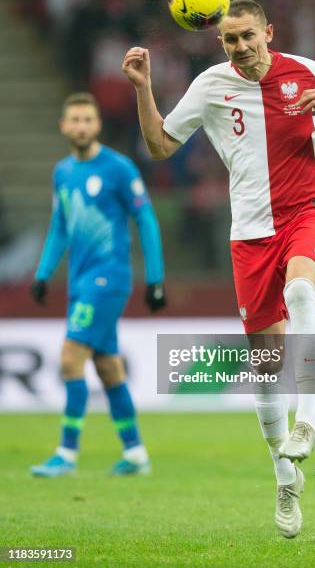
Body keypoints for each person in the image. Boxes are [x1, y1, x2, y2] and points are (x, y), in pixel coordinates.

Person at [122, 0, 315, 537]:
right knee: (265, 367)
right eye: (229, 40)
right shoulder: (211, 85)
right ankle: (285, 478)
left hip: (307, 211)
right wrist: (144, 89)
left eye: (247, 36)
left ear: (269, 31)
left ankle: (307, 421)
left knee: (305, 295)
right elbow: (161, 145)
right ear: (220, 44)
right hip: (250, 234)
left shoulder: (308, 72)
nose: (239, 48)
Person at [30, 92, 165, 477]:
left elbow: (147, 221)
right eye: (74, 120)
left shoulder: (118, 169)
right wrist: (43, 273)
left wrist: (155, 279)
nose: (81, 126)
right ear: (63, 126)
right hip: (80, 281)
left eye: (87, 119)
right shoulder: (63, 172)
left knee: (71, 357)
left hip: (108, 279)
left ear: (98, 124)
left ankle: (66, 454)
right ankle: (136, 453)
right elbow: (59, 226)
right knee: (107, 369)